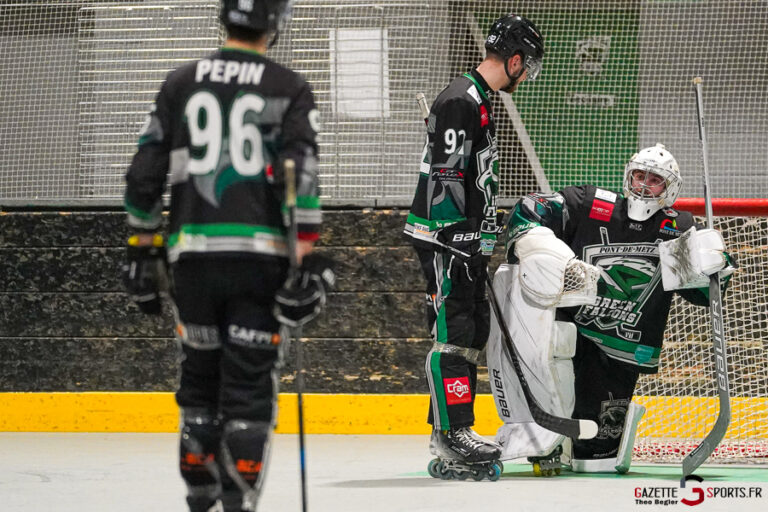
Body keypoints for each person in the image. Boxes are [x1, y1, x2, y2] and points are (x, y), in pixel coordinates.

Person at [122, 1, 334, 510]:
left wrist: (141, 250)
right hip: (259, 263)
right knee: (247, 389)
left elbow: (142, 179)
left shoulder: (180, 82)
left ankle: (200, 500)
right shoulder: (288, 86)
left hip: (191, 259)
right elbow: (300, 183)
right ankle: (238, 504)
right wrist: (306, 264)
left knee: (199, 381)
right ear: (276, 24)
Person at [487, 143, 735, 475]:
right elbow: (533, 206)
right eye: (638, 176)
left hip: (621, 349)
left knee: (596, 461)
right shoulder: (592, 205)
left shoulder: (677, 229)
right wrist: (534, 237)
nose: (644, 185)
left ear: (669, 188)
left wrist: (716, 267)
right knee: (554, 356)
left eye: (655, 180)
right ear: (627, 176)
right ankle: (545, 444)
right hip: (572, 329)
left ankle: (573, 448)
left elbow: (703, 297)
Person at [403, 13, 545, 481]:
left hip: (463, 243)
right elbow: (445, 175)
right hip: (447, 243)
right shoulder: (460, 100)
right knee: (454, 331)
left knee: (471, 329)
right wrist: (459, 235)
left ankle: (448, 429)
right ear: (516, 59)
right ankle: (453, 432)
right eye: (530, 67)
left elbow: (470, 174)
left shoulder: (478, 99)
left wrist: (482, 233)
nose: (529, 76)